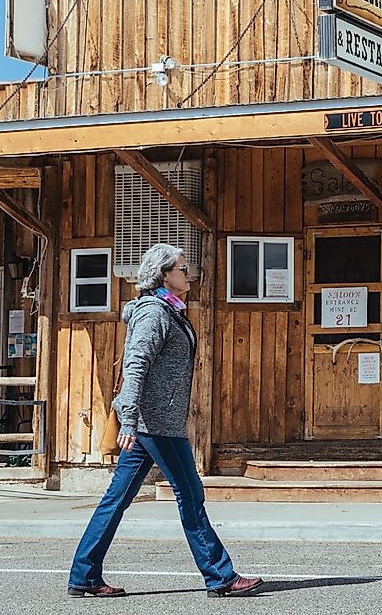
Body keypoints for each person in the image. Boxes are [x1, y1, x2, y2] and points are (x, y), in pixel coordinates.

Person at [69, 243, 262, 598]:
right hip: (155, 424)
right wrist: (128, 420)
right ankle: (220, 576)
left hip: (154, 423)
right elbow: (135, 365)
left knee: (116, 499)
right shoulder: (154, 313)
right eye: (182, 269)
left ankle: (84, 575)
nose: (188, 274)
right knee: (190, 494)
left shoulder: (170, 311)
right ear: (164, 275)